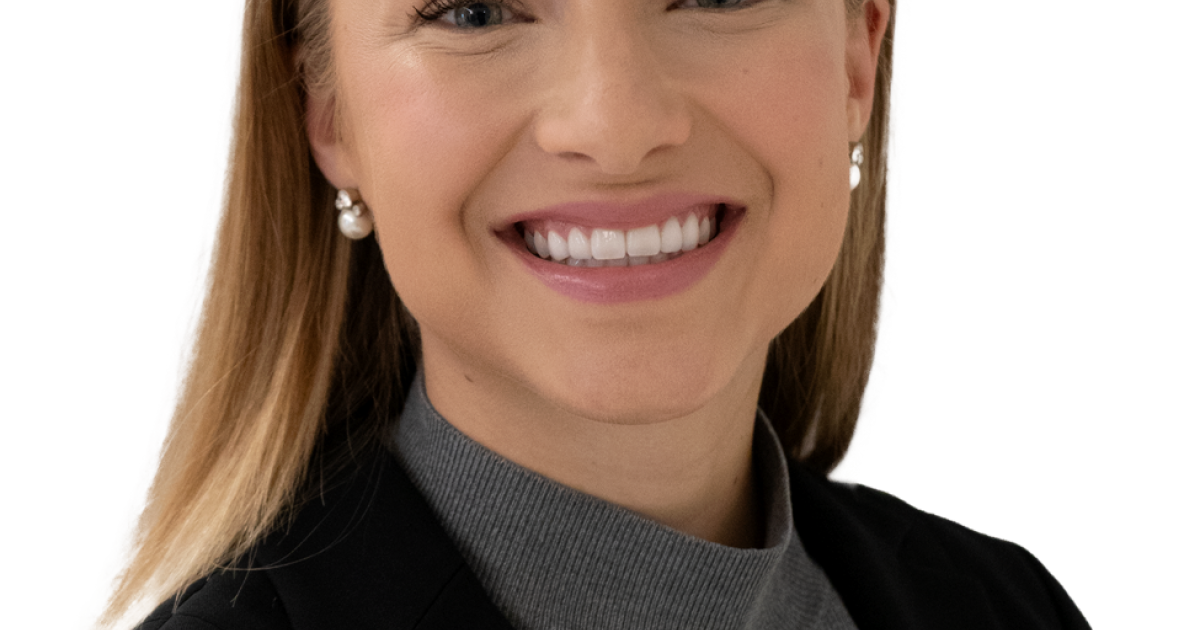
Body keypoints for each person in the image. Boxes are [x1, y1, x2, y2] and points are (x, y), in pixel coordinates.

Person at [94, 0, 1090, 628]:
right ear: (327, 113)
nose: (616, 129)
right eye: (475, 11)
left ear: (856, 59)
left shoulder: (1006, 609)